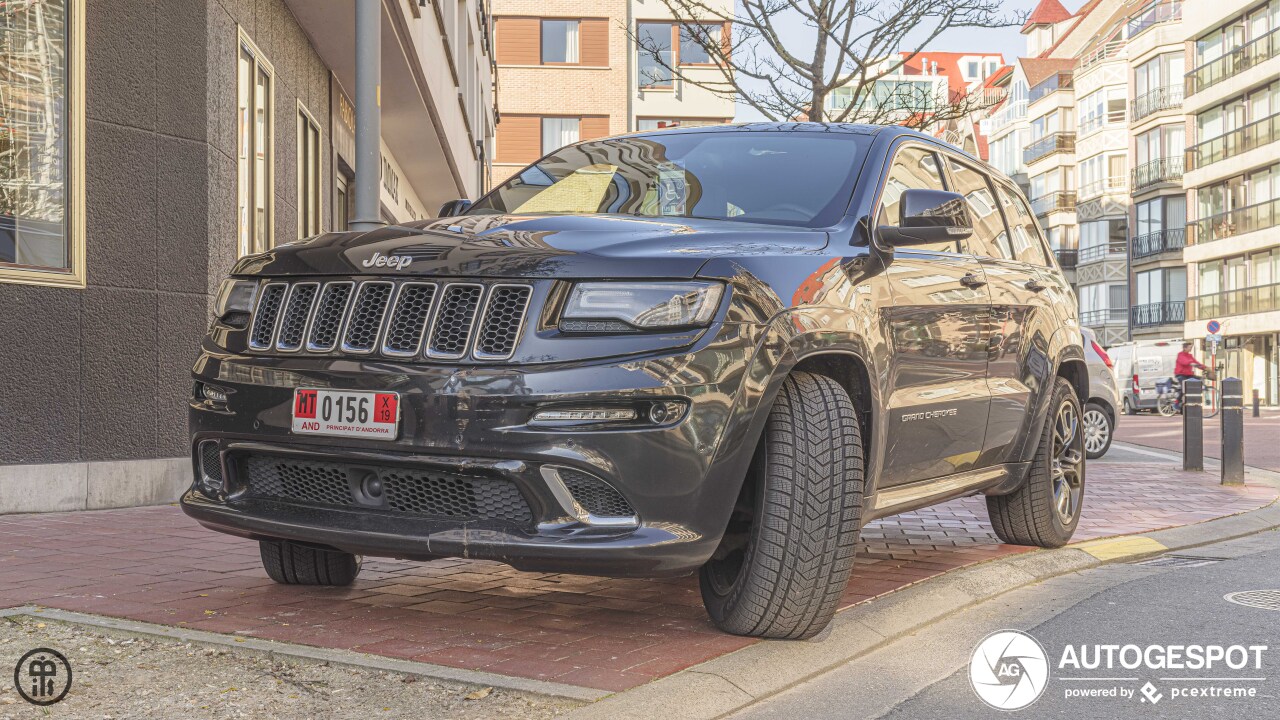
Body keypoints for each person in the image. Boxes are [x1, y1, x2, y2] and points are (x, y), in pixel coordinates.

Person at [1174, 341, 1206, 411]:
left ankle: (1190, 401)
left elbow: (1196, 362)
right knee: (1184, 387)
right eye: (1190, 347)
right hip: (1180, 374)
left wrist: (1204, 367)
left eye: (1191, 347)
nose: (1191, 349)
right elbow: (1184, 362)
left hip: (1188, 374)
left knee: (1199, 379)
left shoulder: (1190, 356)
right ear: (1185, 348)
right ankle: (1176, 402)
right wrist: (1191, 363)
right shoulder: (1180, 355)